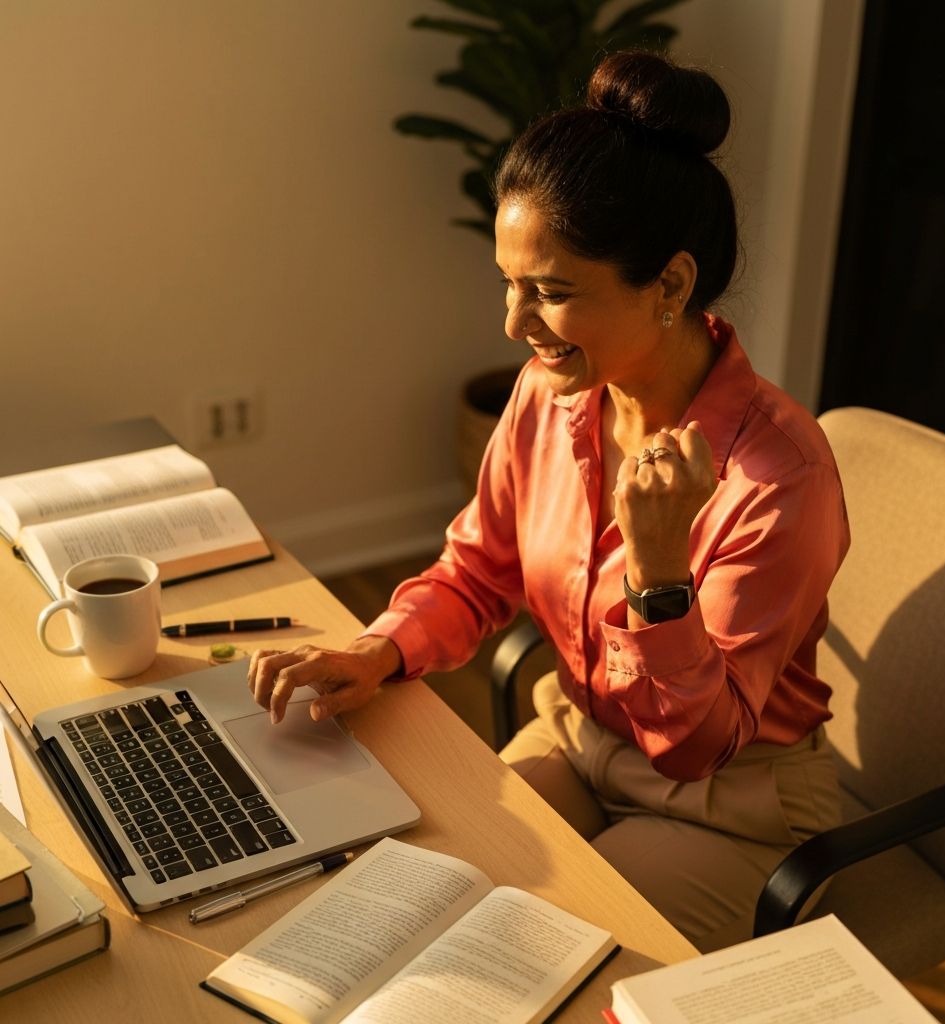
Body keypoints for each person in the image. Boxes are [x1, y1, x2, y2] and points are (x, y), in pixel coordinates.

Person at [248, 50, 850, 952]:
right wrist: (378, 651)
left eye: (551, 292)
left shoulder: (780, 477)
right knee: (409, 904)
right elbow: (479, 567)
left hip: (729, 807)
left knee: (524, 957)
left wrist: (658, 573)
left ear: (671, 286)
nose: (512, 324)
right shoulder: (550, 393)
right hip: (576, 736)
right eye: (508, 282)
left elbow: (695, 746)